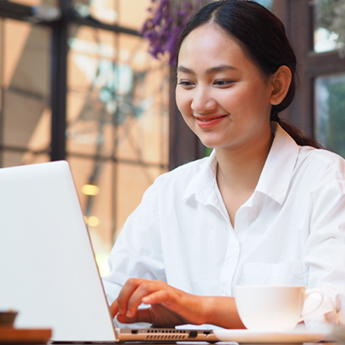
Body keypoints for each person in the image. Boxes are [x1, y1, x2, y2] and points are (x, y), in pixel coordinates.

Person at [102, 0, 345, 330]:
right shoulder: (168, 194)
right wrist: (160, 313)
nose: (200, 103)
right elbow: (112, 301)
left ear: (276, 86)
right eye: (187, 83)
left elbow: (334, 313)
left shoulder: (325, 180)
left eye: (222, 82)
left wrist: (201, 309)